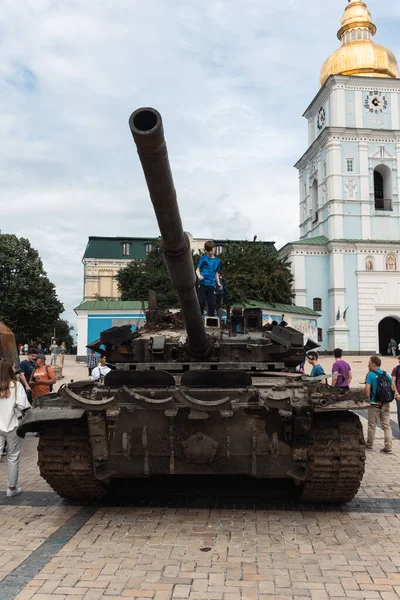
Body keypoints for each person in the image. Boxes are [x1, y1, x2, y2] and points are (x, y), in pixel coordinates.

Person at [0, 360, 31, 497]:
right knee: (13, 456)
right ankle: (11, 488)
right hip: (12, 424)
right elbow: (23, 405)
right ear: (10, 370)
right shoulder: (16, 386)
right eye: (13, 367)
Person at [365, 356, 393, 453]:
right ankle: (388, 446)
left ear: (373, 364)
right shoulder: (386, 375)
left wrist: (367, 400)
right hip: (386, 403)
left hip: (374, 403)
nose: (368, 364)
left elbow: (367, 389)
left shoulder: (371, 374)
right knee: (386, 425)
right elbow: (392, 387)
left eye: (369, 362)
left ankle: (369, 444)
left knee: (372, 425)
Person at [195, 241, 222, 317]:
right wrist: (199, 276)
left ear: (214, 249)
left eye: (211, 250)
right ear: (205, 250)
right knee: (201, 302)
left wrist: (219, 283)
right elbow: (197, 270)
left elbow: (216, 273)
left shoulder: (217, 261)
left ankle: (210, 318)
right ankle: (199, 317)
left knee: (212, 303)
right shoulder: (203, 258)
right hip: (203, 283)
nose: (210, 252)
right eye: (208, 251)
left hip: (212, 284)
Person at [391, 355, 400, 429]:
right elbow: (393, 382)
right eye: (399, 359)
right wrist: (396, 393)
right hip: (398, 395)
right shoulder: (396, 369)